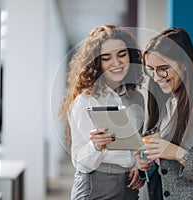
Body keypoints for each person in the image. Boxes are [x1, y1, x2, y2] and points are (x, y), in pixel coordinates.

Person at [134, 28, 193, 200]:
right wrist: (145, 163)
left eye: (163, 69)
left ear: (185, 64)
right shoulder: (166, 106)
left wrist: (178, 153)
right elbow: (166, 169)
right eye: (151, 70)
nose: (156, 78)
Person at [59, 25, 145, 200]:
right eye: (107, 58)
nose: (117, 63)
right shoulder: (86, 100)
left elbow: (138, 144)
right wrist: (95, 146)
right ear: (97, 63)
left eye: (122, 55)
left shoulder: (137, 98)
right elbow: (80, 162)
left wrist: (139, 164)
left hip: (128, 187)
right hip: (95, 186)